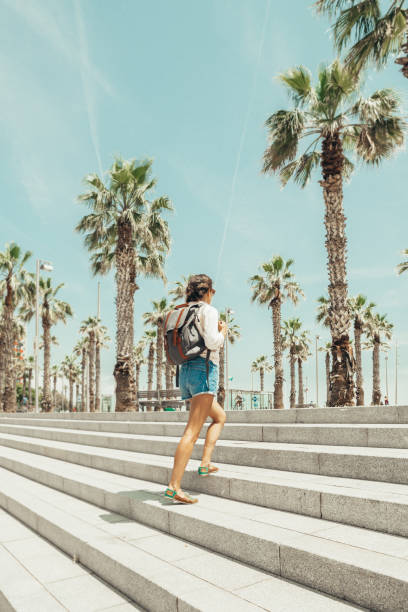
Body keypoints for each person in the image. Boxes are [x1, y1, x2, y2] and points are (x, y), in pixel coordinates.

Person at [164, 274, 227, 504]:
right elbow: (212, 342)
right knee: (192, 430)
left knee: (219, 417)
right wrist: (223, 333)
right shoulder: (208, 311)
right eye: (213, 291)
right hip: (203, 369)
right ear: (208, 291)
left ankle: (205, 463)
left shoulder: (184, 311)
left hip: (186, 371)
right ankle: (174, 486)